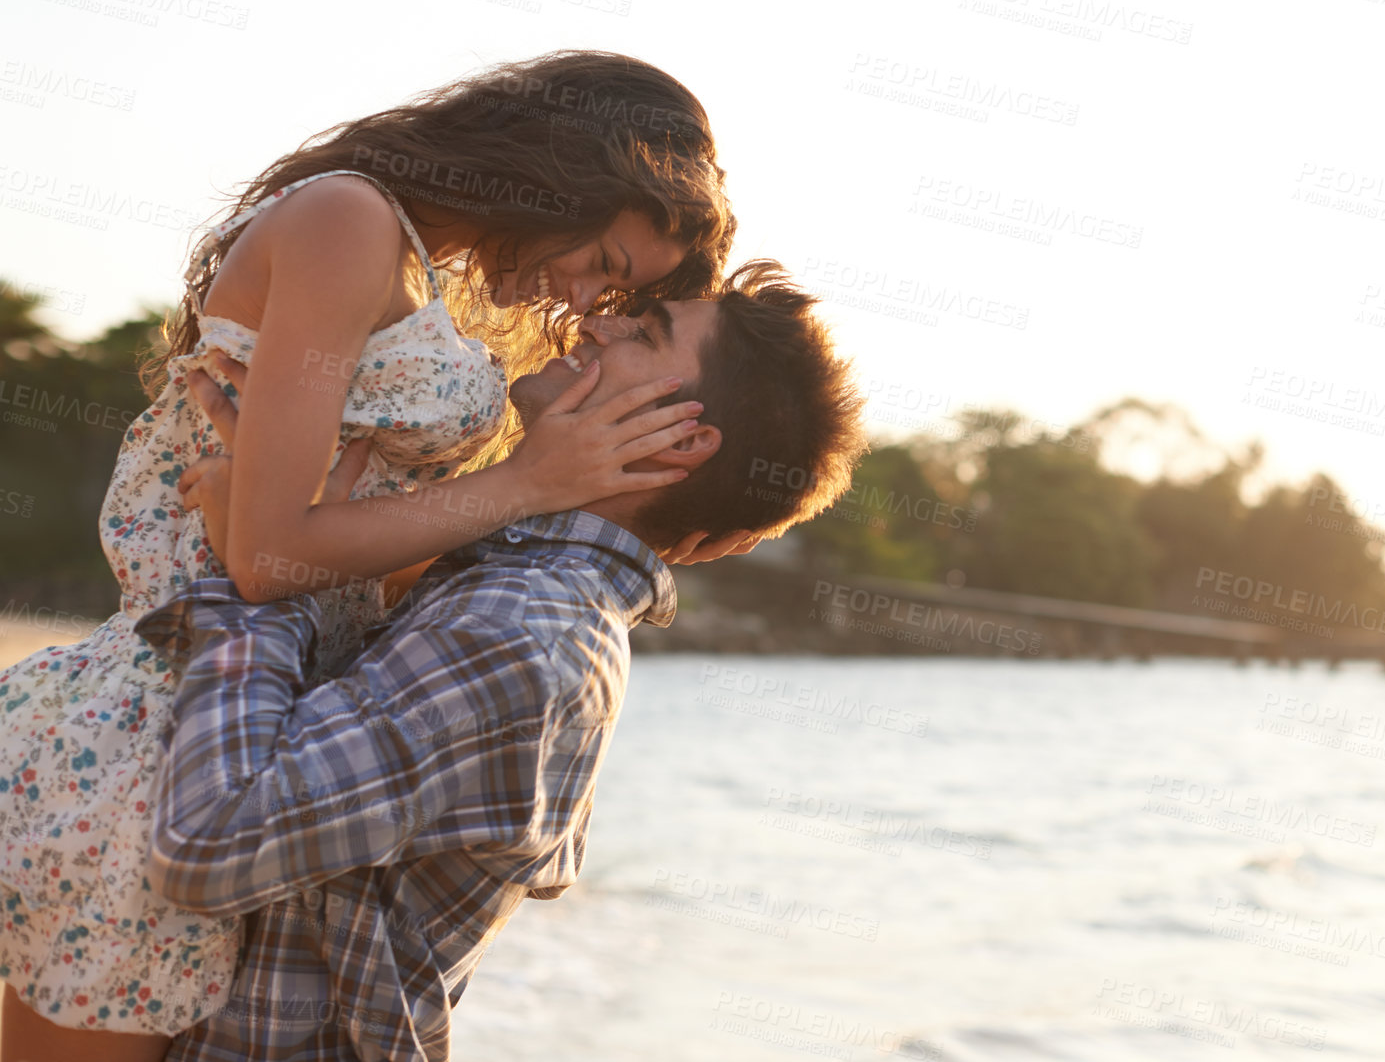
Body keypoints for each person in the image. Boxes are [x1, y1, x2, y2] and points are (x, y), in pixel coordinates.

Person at [0, 50, 748, 1062]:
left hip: (220, 713)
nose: (579, 300)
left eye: (612, 299)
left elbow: (345, 553)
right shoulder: (347, 221)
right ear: (560, 171)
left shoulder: (406, 259)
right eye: (603, 266)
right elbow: (264, 560)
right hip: (151, 734)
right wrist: (530, 483)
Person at [145, 262, 866, 1061]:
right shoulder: (502, 580)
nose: (599, 324)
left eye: (645, 330)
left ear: (681, 438)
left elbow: (207, 845)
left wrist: (254, 565)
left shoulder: (528, 628)